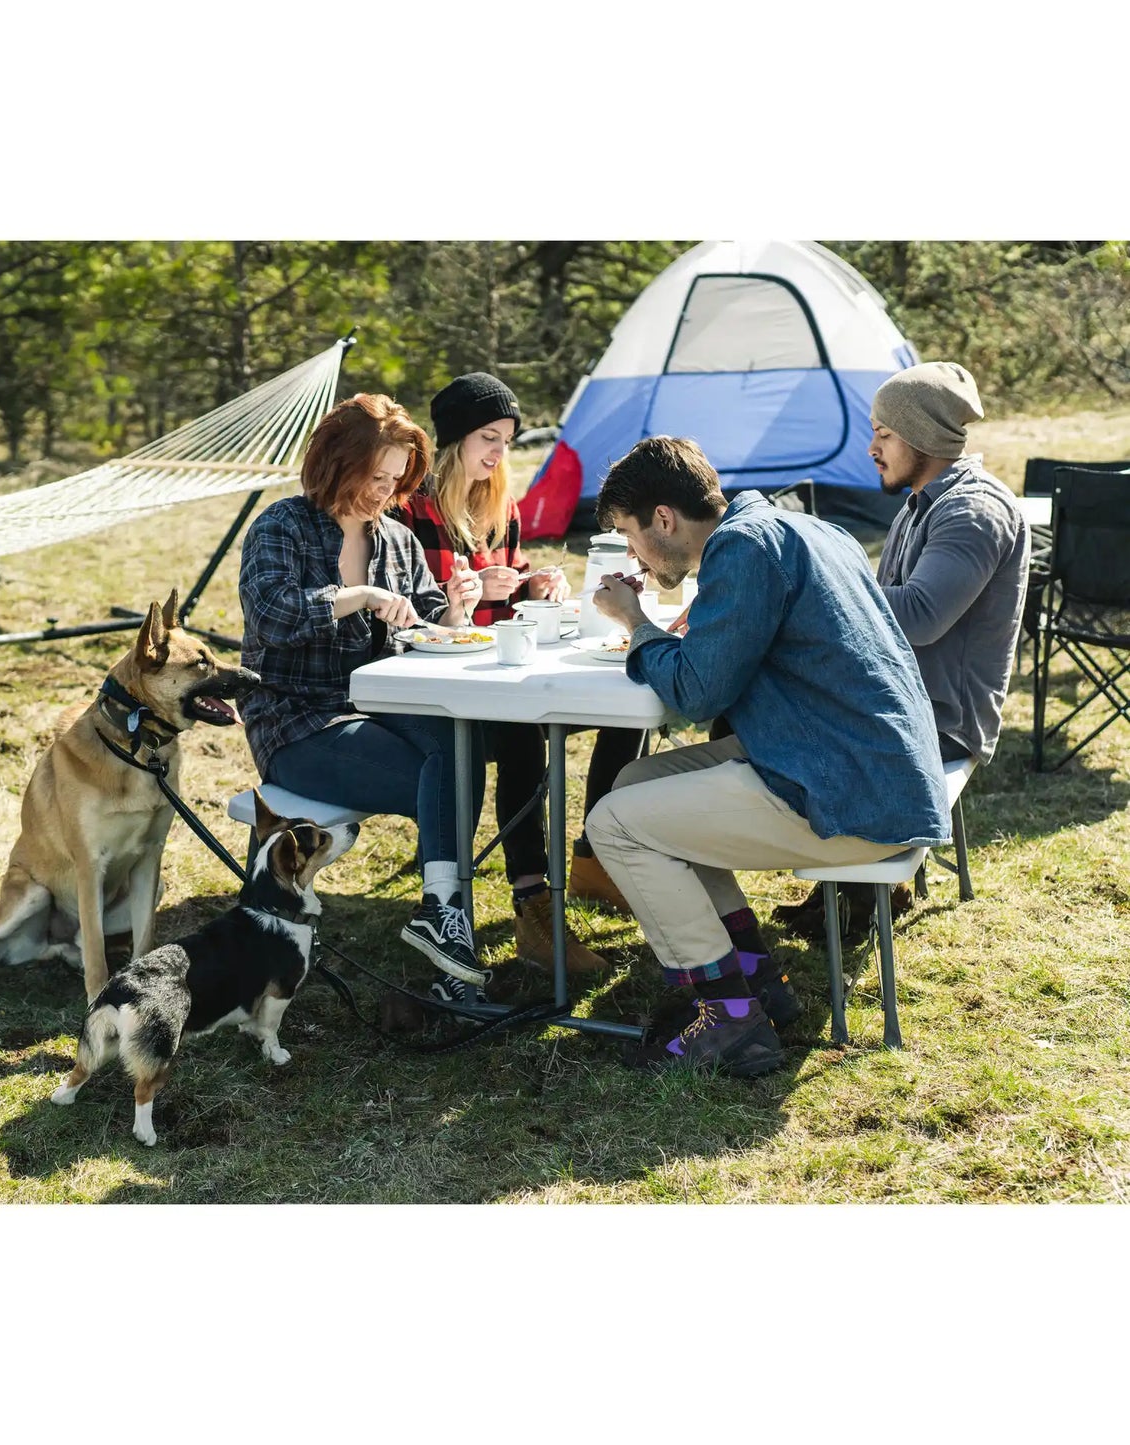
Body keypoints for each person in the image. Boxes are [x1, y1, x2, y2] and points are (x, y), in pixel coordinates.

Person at [583, 436, 950, 1077]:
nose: (634, 554)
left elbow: (698, 694)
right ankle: (755, 977)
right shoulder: (799, 528)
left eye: (629, 534)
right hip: (871, 769)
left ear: (663, 518)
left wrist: (635, 623)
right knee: (635, 781)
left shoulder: (743, 547)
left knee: (613, 824)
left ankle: (728, 1018)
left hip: (849, 794)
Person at [237, 392, 489, 1004]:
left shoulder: (398, 539)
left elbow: (426, 619)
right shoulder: (282, 526)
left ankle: (441, 916)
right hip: (298, 723)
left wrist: (456, 609)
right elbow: (271, 615)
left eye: (396, 479)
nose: (384, 491)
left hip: (382, 707)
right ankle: (449, 932)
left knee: (463, 747)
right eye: (374, 477)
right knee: (449, 775)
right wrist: (358, 596)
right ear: (335, 462)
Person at [394, 372, 645, 974]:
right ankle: (533, 902)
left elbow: (510, 596)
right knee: (523, 738)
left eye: (506, 440)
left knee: (627, 702)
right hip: (449, 683)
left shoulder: (498, 504)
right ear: (454, 439)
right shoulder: (411, 509)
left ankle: (592, 859)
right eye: (488, 437)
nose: (498, 453)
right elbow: (414, 611)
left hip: (504, 665)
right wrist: (472, 595)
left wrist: (536, 584)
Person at [776, 361, 1030, 939]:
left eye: (883, 434)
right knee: (762, 698)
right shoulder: (926, 501)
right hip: (905, 698)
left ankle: (858, 887)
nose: (871, 447)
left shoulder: (972, 511)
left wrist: (818, 595)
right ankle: (843, 880)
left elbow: (918, 616)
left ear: (922, 437)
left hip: (940, 718)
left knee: (770, 722)